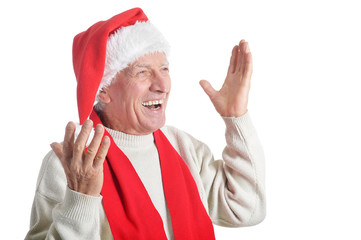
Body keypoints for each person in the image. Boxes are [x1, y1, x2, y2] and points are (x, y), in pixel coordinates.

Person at [25, 7, 265, 240]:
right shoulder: (71, 162)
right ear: (103, 90)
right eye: (143, 72)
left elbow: (246, 209)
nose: (162, 85)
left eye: (164, 69)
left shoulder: (183, 147)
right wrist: (80, 200)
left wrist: (236, 118)